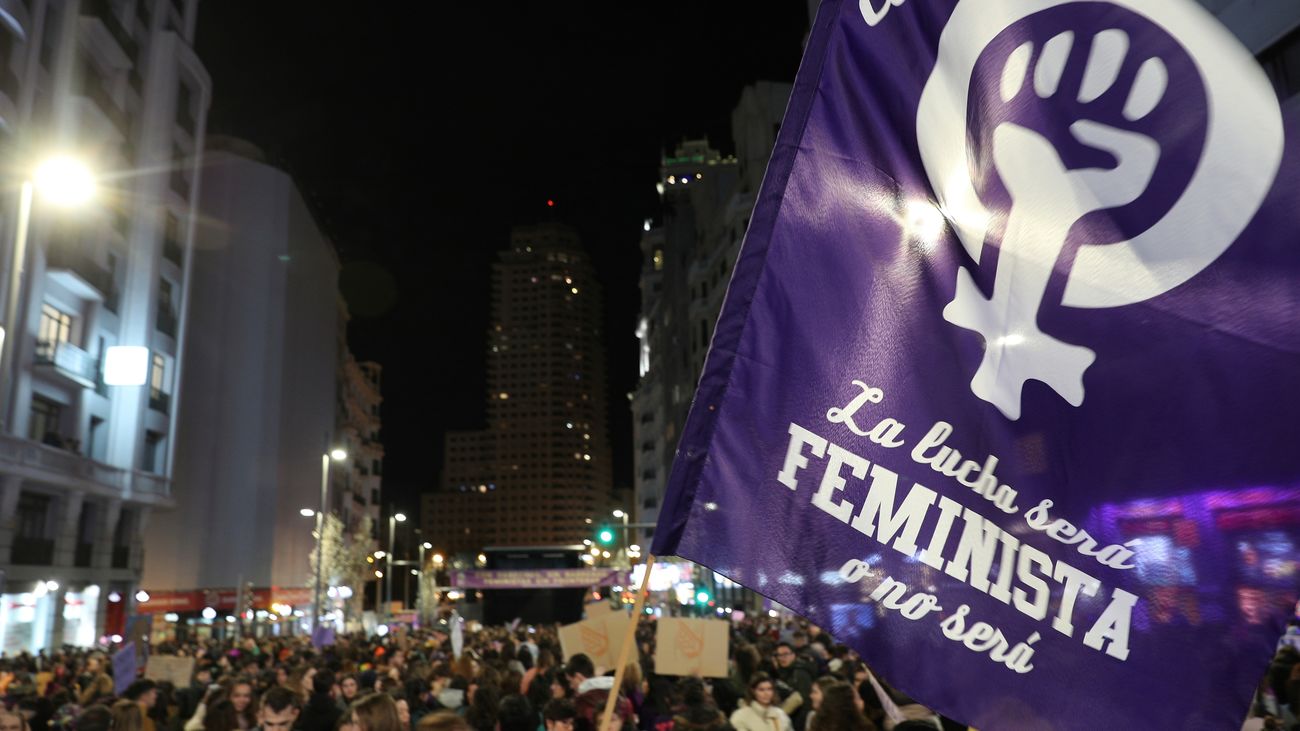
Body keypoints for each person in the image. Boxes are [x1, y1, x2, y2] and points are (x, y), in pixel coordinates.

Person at [807, 684, 874, 731]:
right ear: (850, 706)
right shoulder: (863, 727)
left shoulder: (817, 725)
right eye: (858, 698)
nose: (862, 702)